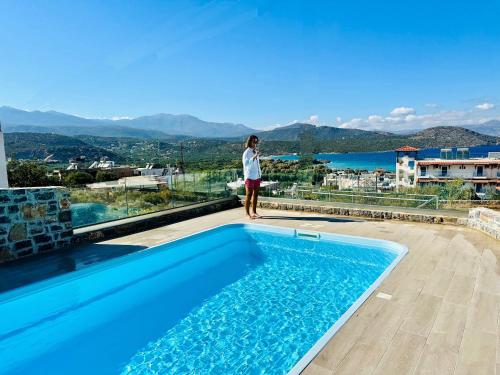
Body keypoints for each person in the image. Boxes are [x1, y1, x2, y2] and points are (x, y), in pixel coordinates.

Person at [242, 135, 262, 219]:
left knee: (256, 195)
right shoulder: (246, 153)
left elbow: (257, 165)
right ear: (250, 141)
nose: (255, 143)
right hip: (249, 177)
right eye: (254, 141)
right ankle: (247, 214)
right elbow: (246, 164)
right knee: (249, 195)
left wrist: (260, 174)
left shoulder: (254, 151)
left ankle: (254, 212)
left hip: (257, 176)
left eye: (256, 142)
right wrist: (254, 156)